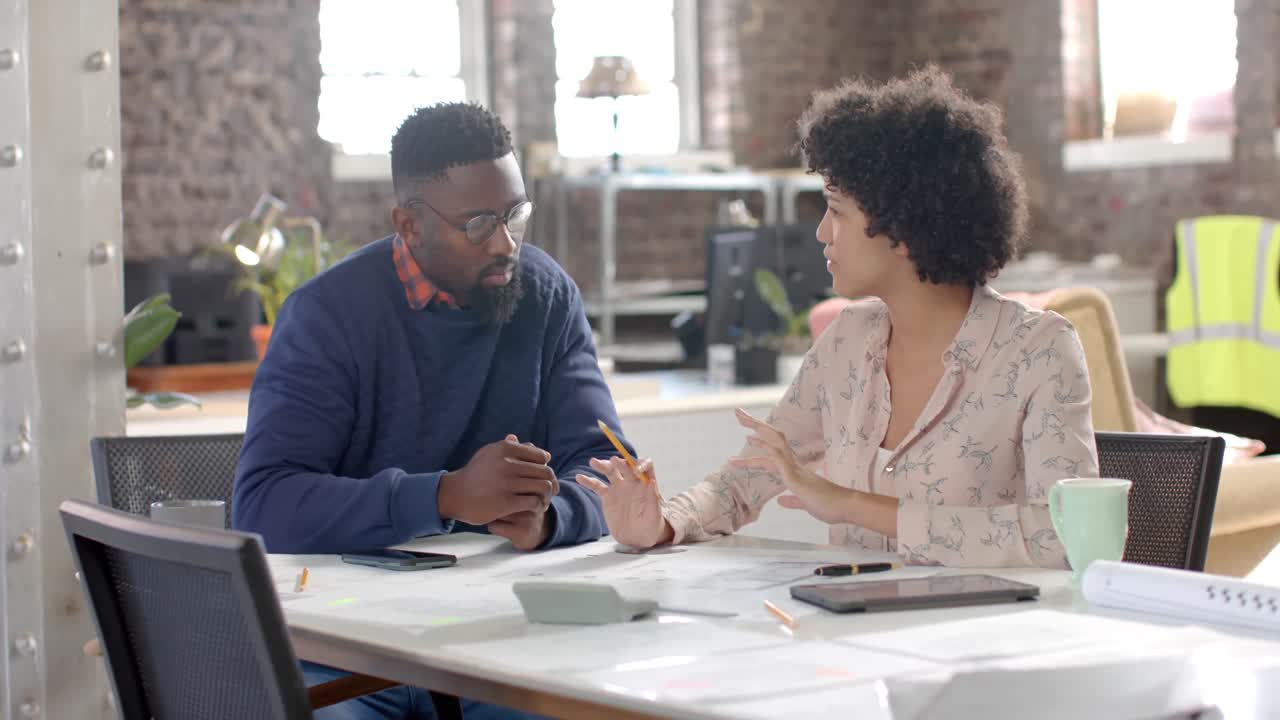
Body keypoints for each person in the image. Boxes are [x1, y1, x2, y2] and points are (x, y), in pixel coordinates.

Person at [580, 66, 1099, 569]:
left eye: (837, 210)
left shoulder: (1039, 351)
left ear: (903, 226)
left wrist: (850, 504)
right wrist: (662, 523)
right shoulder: (848, 341)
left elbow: (1064, 535)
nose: (822, 233)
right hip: (855, 636)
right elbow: (745, 481)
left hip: (988, 640)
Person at [233, 102, 629, 719]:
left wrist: (550, 518)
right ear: (409, 224)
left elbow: (609, 467)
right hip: (348, 652)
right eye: (477, 225)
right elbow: (264, 504)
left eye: (514, 214)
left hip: (504, 643)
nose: (505, 244)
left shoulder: (546, 297)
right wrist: (444, 497)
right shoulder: (327, 317)